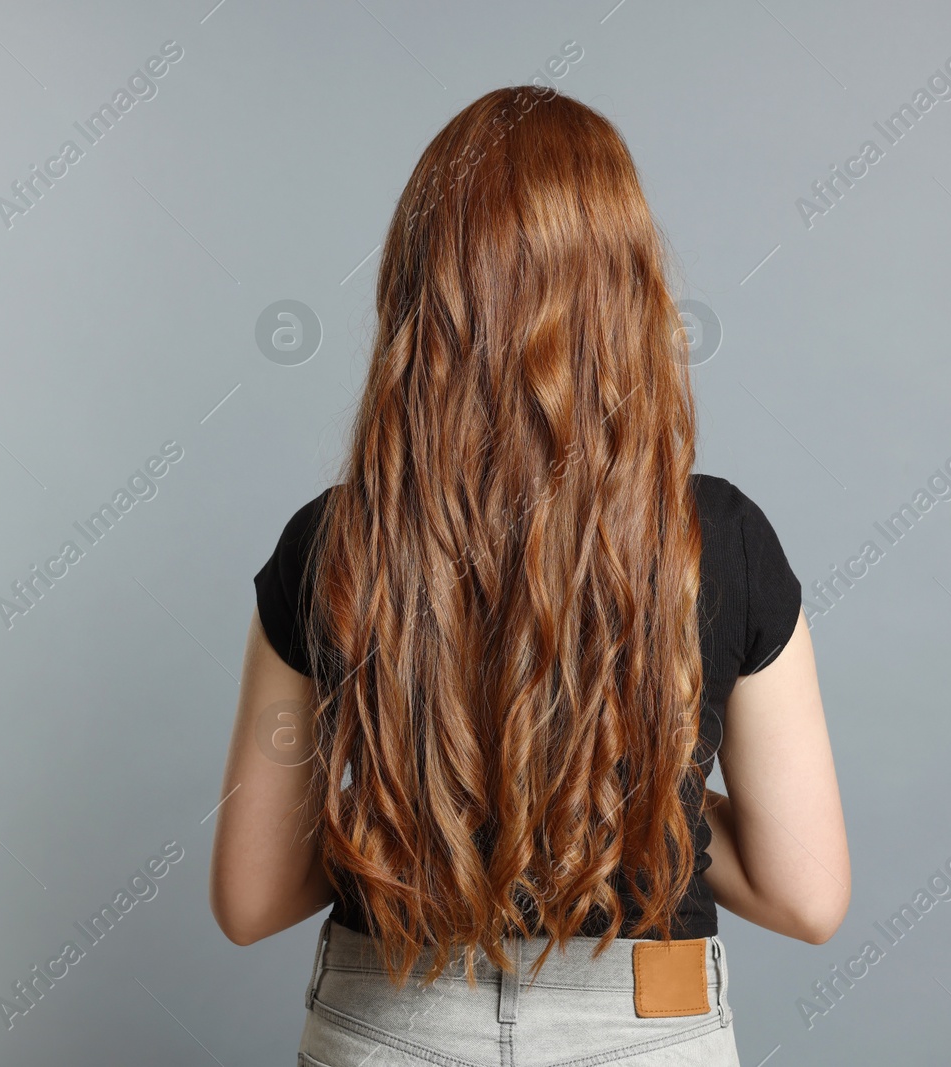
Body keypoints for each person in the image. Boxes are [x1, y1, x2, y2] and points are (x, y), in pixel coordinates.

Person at [210, 84, 850, 1066]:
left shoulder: (330, 543)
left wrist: (423, 792)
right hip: (648, 1022)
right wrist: (639, 795)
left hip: (389, 1017)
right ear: (628, 291)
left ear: (420, 290)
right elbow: (805, 895)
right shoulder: (716, 538)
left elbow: (251, 898)